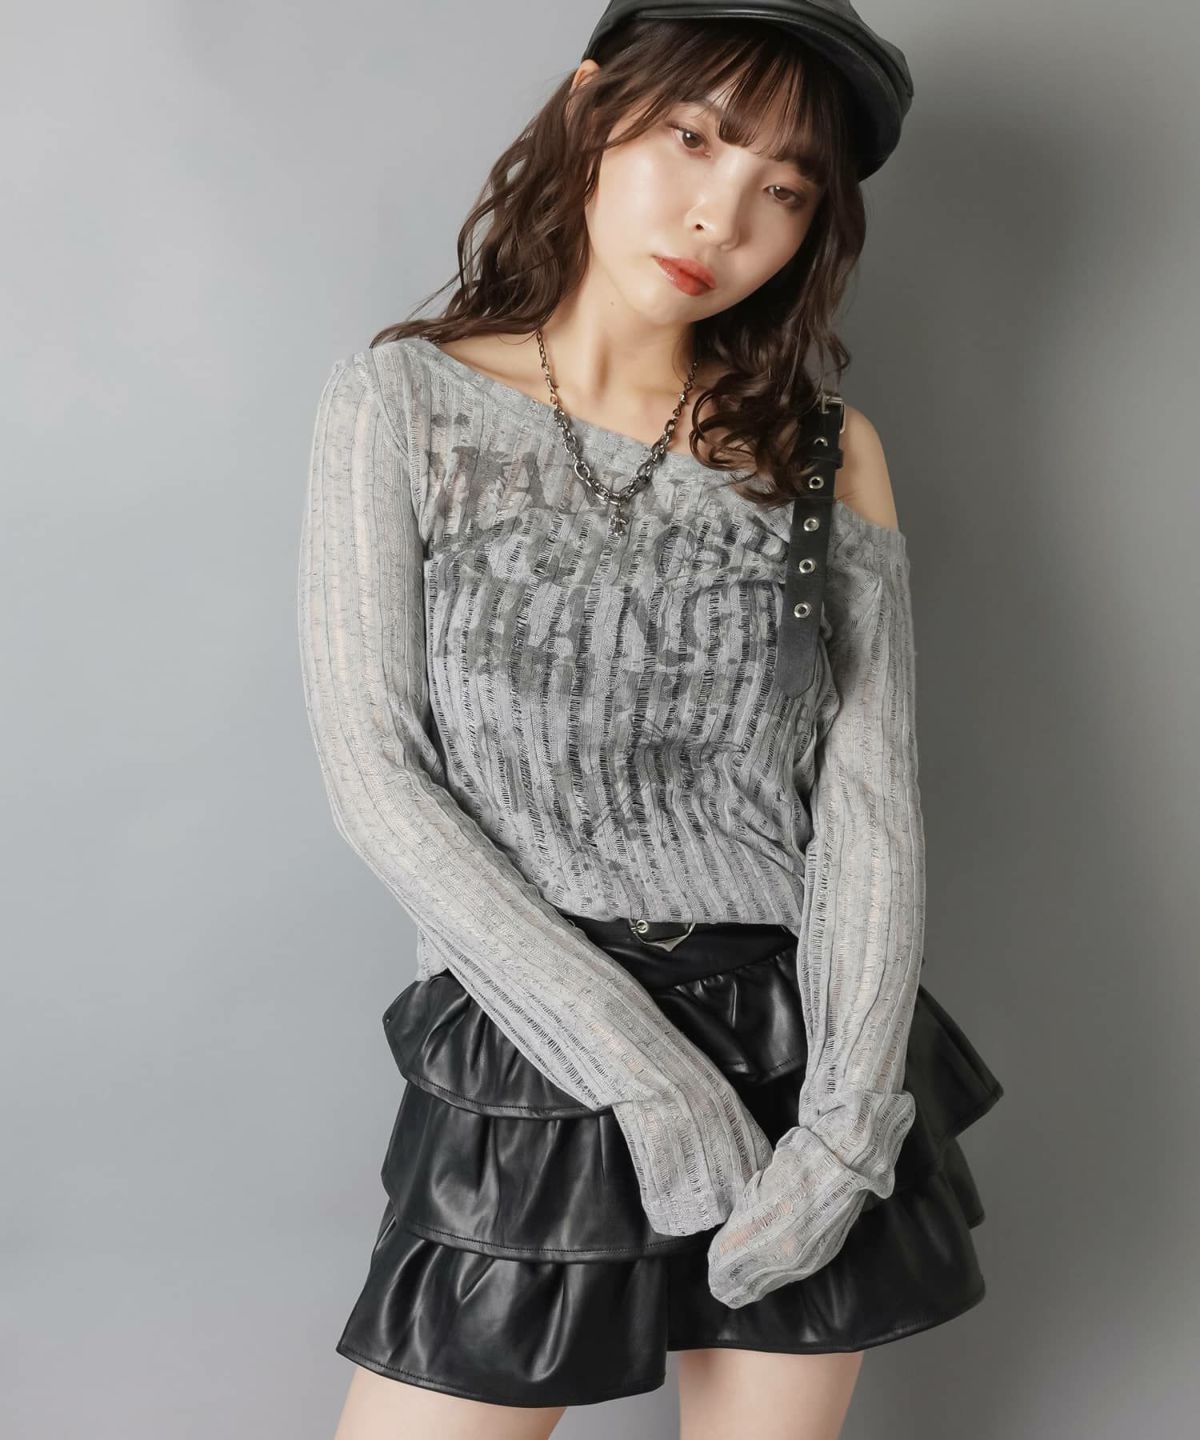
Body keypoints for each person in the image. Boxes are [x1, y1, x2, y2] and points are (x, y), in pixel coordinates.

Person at [297, 4, 1004, 1437]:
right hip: (537, 1038)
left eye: (784, 191)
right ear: (592, 108)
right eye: (694, 139)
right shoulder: (403, 401)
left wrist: (847, 1133)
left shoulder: (824, 457)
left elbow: (869, 815)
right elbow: (380, 777)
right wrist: (653, 1086)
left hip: (805, 1044)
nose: (720, 217)